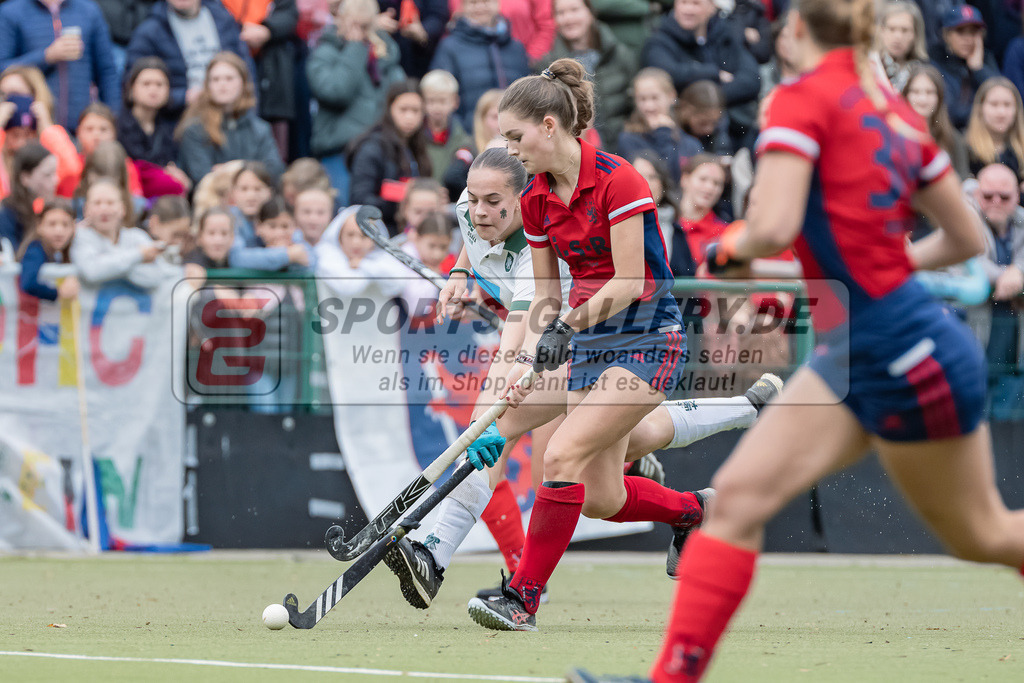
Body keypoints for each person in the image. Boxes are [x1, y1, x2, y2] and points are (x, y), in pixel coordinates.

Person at [576, 1, 1024, 679]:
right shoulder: (898, 113)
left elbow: (771, 222)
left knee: (984, 534)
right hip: (860, 351)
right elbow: (965, 240)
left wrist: (731, 244)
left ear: (792, 32)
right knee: (740, 497)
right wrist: (877, 270)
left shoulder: (798, 98)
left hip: (905, 356)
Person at [382, 147, 779, 613]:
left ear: (521, 199)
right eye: (474, 200)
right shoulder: (473, 208)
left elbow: (526, 329)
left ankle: (441, 556)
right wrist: (460, 271)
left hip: (587, 341)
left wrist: (514, 376)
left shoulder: (539, 241)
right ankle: (713, 473)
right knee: (601, 493)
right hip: (568, 339)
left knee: (509, 429)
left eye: (494, 202)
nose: (481, 212)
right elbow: (474, 237)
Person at [462, 59, 774, 632]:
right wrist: (537, 351)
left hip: (650, 337)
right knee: (602, 496)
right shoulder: (533, 199)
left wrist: (568, 326)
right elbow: (547, 295)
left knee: (559, 458)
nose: (510, 149)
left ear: (550, 126)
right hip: (587, 338)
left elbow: (630, 281)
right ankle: (694, 511)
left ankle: (523, 598)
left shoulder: (619, 180)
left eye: (515, 136)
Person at [306, 0, 406, 204]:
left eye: (365, 24)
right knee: (344, 216)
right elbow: (336, 92)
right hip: (338, 153)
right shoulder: (325, 53)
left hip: (382, 153)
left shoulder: (388, 58)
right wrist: (355, 48)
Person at [641, 0, 760, 149]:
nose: (688, 9)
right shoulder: (659, 39)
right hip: (681, 133)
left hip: (733, 131)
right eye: (683, 2)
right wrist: (714, 73)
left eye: (696, 3)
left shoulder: (726, 35)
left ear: (712, 8)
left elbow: (751, 80)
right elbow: (667, 74)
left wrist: (709, 98)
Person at [0, 0, 120, 129]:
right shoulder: (11, 12)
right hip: (33, 128)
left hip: (81, 127)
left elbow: (107, 72)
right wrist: (47, 56)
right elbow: (3, 67)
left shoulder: (89, 10)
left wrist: (114, 118)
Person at [125, 0, 253, 117]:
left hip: (229, 108)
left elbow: (246, 70)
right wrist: (183, 97)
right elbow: (133, 82)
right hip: (179, 115)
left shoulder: (223, 19)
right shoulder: (150, 31)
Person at [175, 52, 285, 184]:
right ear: (207, 85)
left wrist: (232, 167)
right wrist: (253, 169)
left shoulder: (260, 128)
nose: (222, 84)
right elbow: (203, 177)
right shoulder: (194, 130)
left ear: (243, 83)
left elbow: (275, 170)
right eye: (215, 79)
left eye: (229, 78)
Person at [968, 163, 1024, 420]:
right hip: (974, 339)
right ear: (977, 194)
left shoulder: (1021, 221)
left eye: (1005, 197)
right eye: (988, 196)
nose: (996, 202)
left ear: (1017, 197)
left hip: (1015, 346)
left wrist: (1020, 274)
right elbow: (965, 262)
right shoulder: (964, 219)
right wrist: (1008, 276)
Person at [542, 0, 636, 149]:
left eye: (574, 10)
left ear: (590, 12)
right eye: (561, 13)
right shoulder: (548, 65)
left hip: (621, 146)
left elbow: (634, 103)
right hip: (575, 150)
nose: (568, 18)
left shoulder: (619, 55)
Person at [347, 80, 433, 235]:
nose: (409, 117)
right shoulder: (372, 148)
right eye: (403, 109)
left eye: (416, 110)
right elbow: (360, 199)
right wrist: (403, 199)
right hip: (382, 234)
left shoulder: (418, 147)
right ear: (389, 109)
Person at [430, 0, 530, 131]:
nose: (480, 7)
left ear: (498, 4)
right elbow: (441, 96)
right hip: (469, 136)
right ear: (463, 7)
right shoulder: (449, 47)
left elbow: (527, 96)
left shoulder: (515, 48)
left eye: (485, 1)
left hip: (512, 134)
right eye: (473, 2)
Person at [71, 178, 178, 287]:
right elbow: (92, 272)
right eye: (97, 203)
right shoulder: (79, 237)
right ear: (86, 209)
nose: (103, 208)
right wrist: (139, 255)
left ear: (122, 209)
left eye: (110, 202)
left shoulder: (137, 236)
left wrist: (109, 268)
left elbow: (156, 277)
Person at [116, 57, 192, 196]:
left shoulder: (172, 128)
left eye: (159, 84)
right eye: (146, 84)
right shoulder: (116, 126)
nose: (153, 89)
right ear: (131, 89)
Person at [617, 68, 702, 186]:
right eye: (642, 99)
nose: (649, 106)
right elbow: (664, 180)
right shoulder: (628, 140)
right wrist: (663, 134)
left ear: (671, 96)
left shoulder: (690, 143)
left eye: (654, 98)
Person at [0, 80, 81, 199]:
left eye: (28, 135)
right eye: (15, 135)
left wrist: (47, 127)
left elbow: (71, 170)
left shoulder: (45, 166)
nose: (22, 143)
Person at [930, 4, 998, 131]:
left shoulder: (986, 60)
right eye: (960, 31)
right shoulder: (936, 61)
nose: (967, 39)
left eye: (973, 32)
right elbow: (952, 113)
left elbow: (1001, 99)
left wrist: (978, 69)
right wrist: (987, 111)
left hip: (985, 135)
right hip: (950, 136)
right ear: (947, 35)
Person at [902, 64, 970, 180]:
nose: (922, 99)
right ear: (906, 95)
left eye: (929, 92)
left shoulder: (953, 140)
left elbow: (962, 180)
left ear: (939, 97)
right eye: (916, 92)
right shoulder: (895, 136)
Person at [420, 69, 473, 197]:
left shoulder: (463, 141)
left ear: (455, 102)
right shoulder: (415, 137)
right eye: (431, 101)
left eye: (442, 101)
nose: (437, 107)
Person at [0, 142, 58, 253]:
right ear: (25, 177)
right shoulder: (6, 214)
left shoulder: (51, 208)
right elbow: (13, 256)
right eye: (47, 175)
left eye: (55, 173)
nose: (55, 180)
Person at [16, 197, 78, 301]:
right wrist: (58, 292)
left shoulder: (66, 252)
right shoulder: (35, 250)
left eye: (65, 224)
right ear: (39, 226)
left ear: (73, 228)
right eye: (52, 224)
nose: (59, 231)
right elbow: (28, 283)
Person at [965, 77, 1024, 183]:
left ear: (1016, 110)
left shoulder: (1021, 150)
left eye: (1007, 105)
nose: (1001, 112)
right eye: (994, 104)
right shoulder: (965, 148)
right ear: (980, 109)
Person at [876, 0, 927, 93]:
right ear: (882, 31)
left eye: (905, 30)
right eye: (892, 29)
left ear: (915, 34)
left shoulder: (925, 72)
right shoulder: (871, 67)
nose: (898, 37)